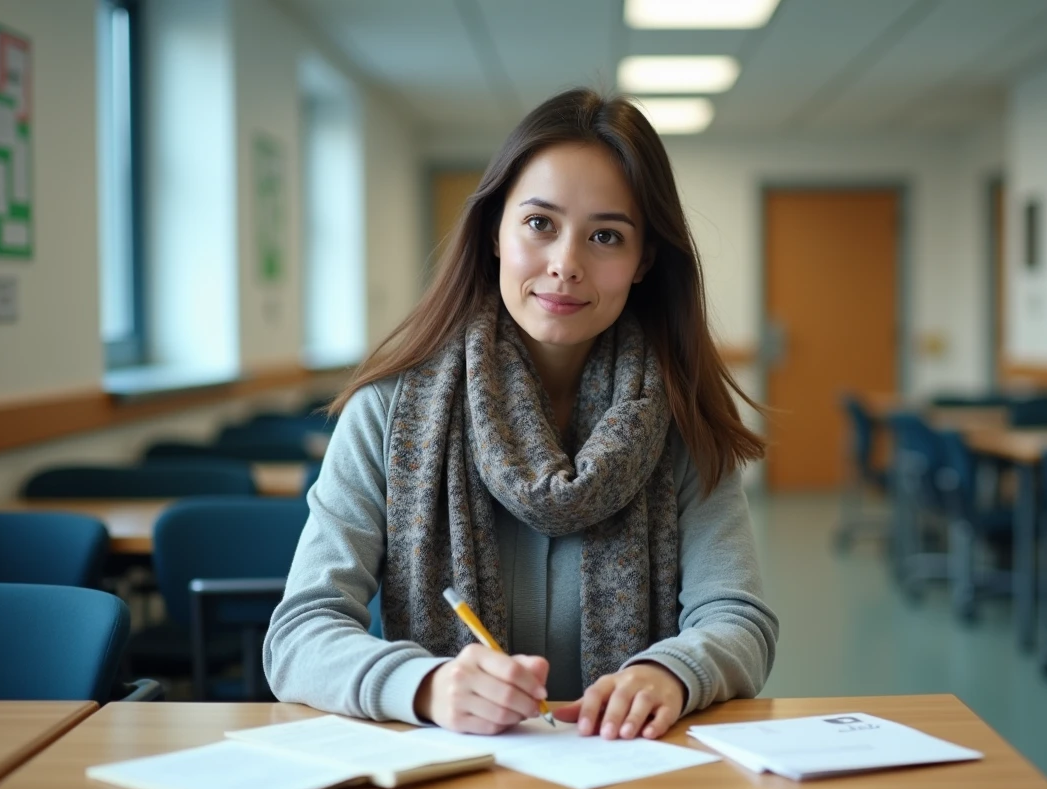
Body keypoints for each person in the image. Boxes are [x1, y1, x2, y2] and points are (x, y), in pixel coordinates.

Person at [264, 87, 778, 742]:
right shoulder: (386, 414)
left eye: (605, 236)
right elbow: (298, 634)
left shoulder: (682, 420)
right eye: (540, 224)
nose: (566, 264)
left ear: (644, 260)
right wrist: (426, 686)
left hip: (631, 774)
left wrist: (673, 674)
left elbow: (739, 619)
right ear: (495, 234)